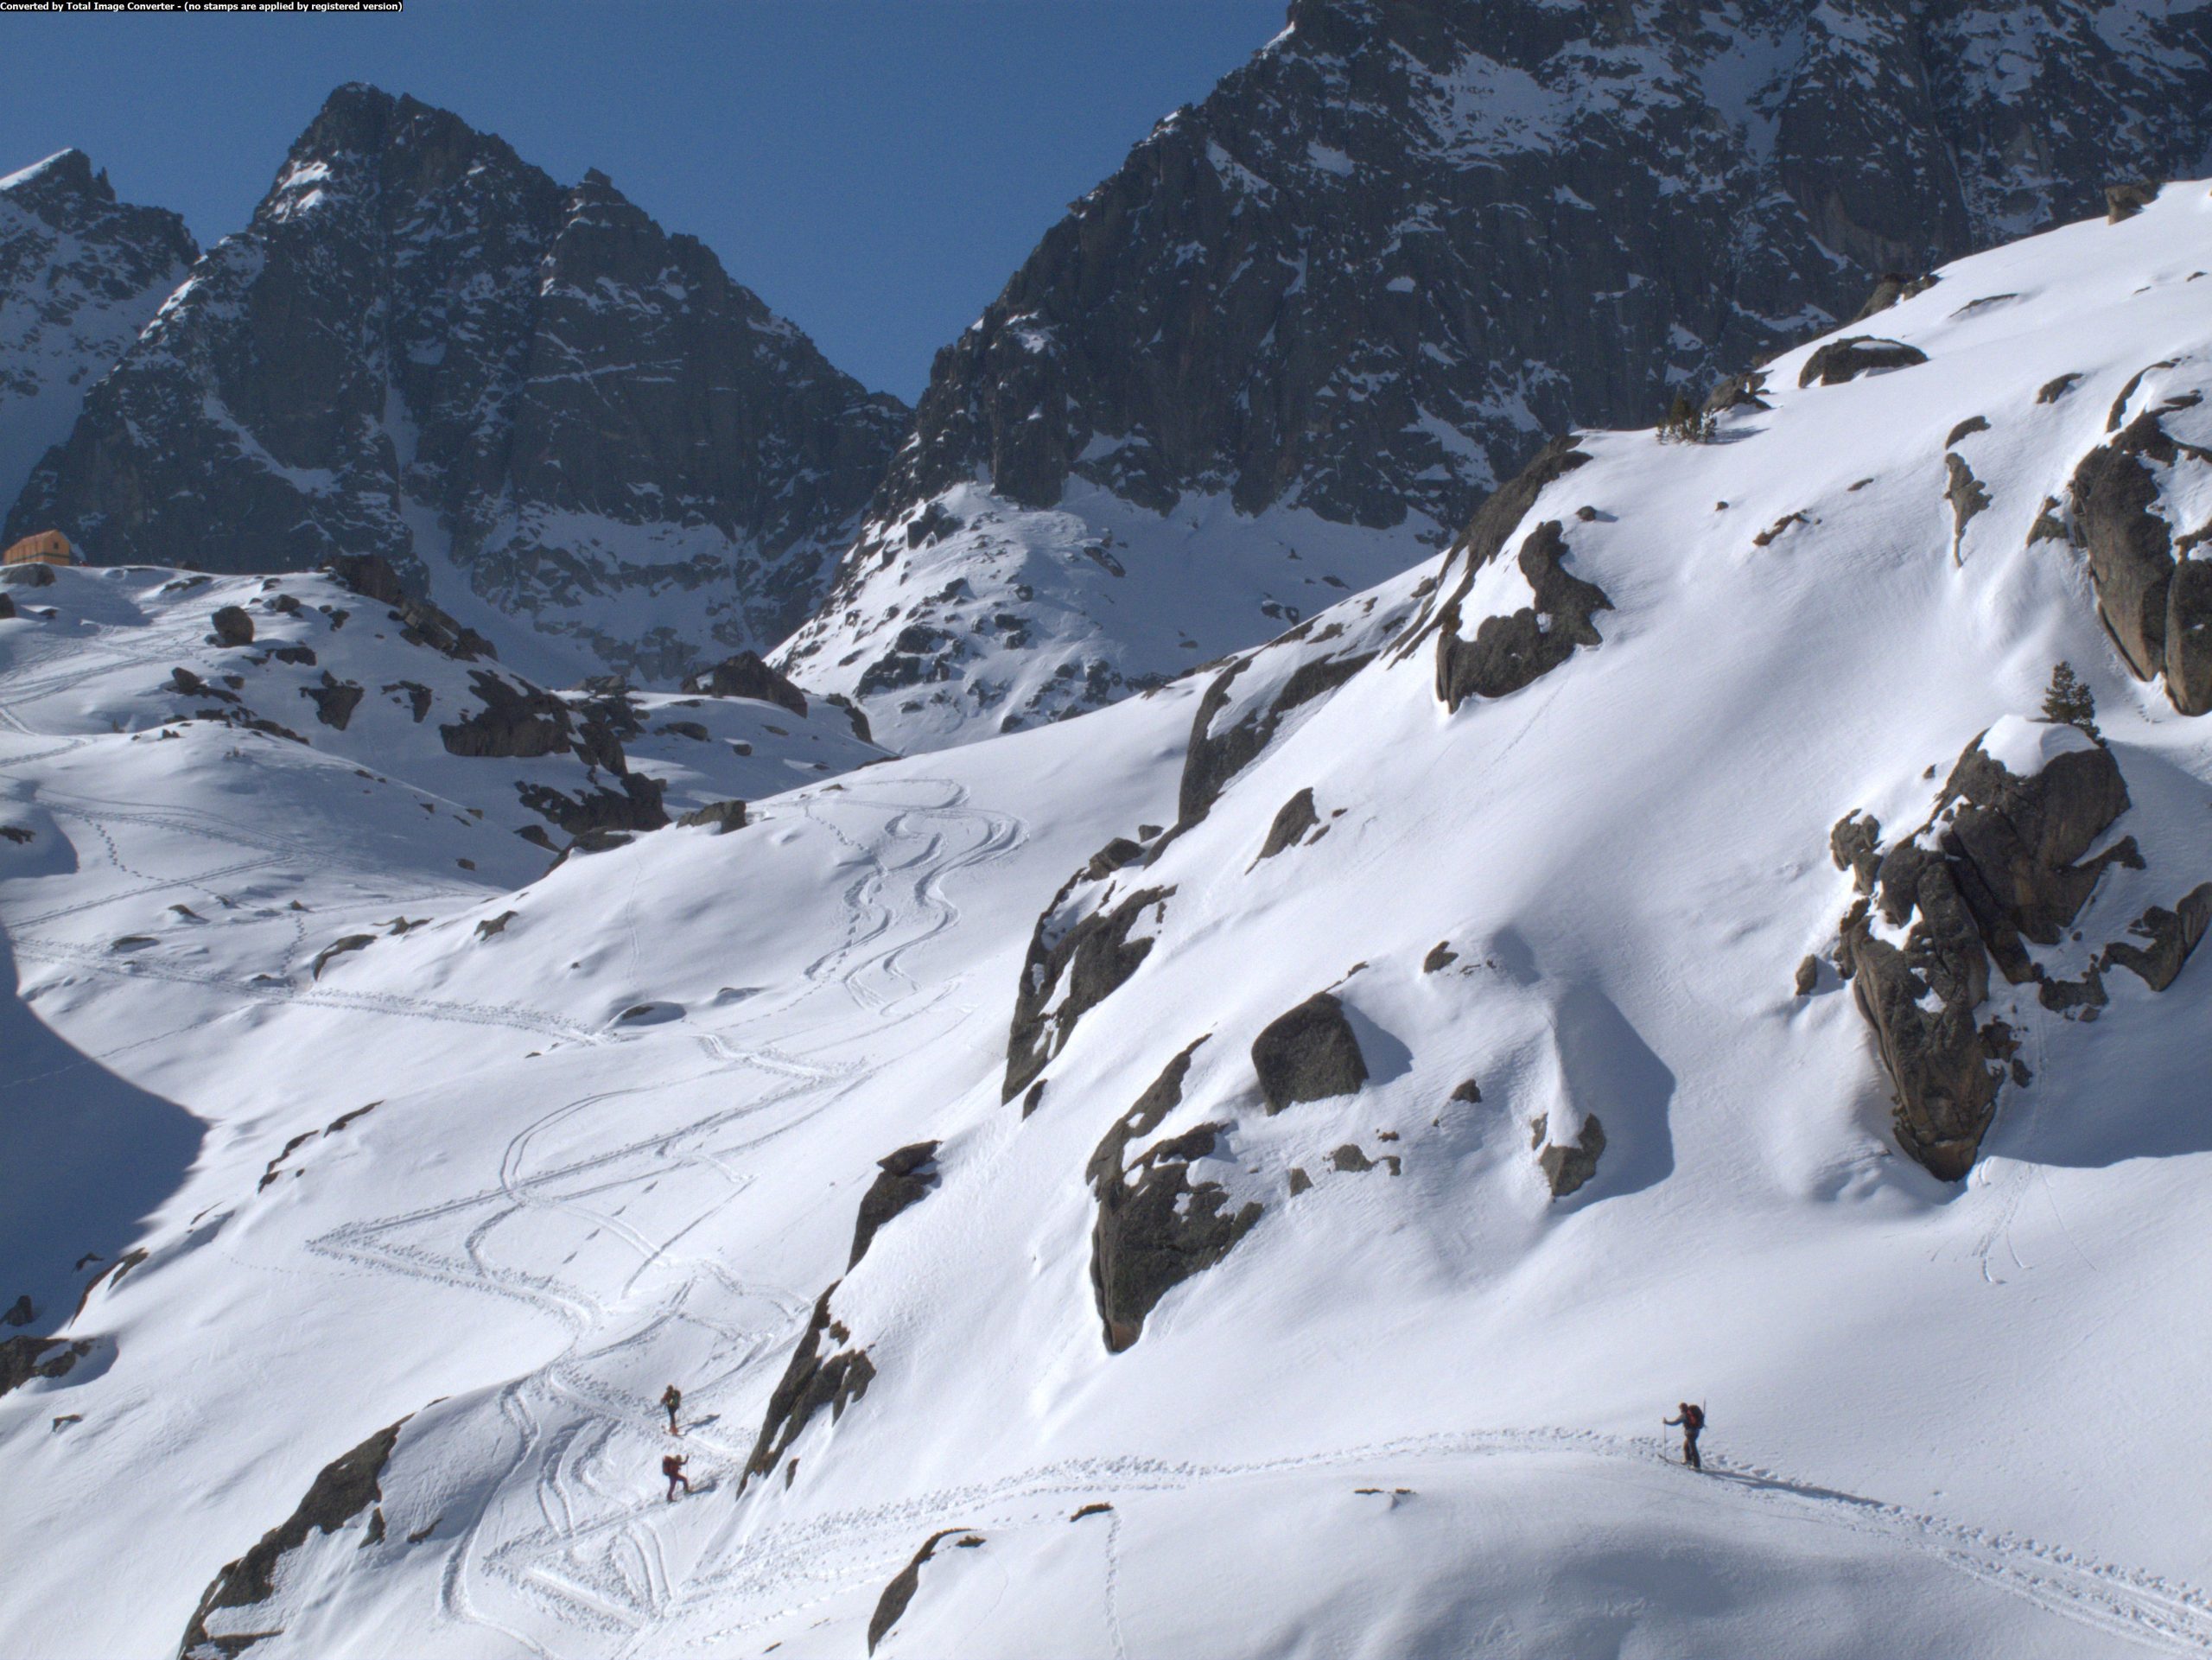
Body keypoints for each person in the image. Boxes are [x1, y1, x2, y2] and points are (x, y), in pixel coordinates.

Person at [1664, 1402, 1706, 1470]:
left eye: (1680, 1408)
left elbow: (1675, 1423)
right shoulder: (1691, 1412)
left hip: (1690, 1433)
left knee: (1692, 1448)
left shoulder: (1684, 1415)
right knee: (1686, 1446)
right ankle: (1688, 1460)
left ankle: (1696, 1465)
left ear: (1681, 1409)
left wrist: (1666, 1422)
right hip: (1696, 1432)